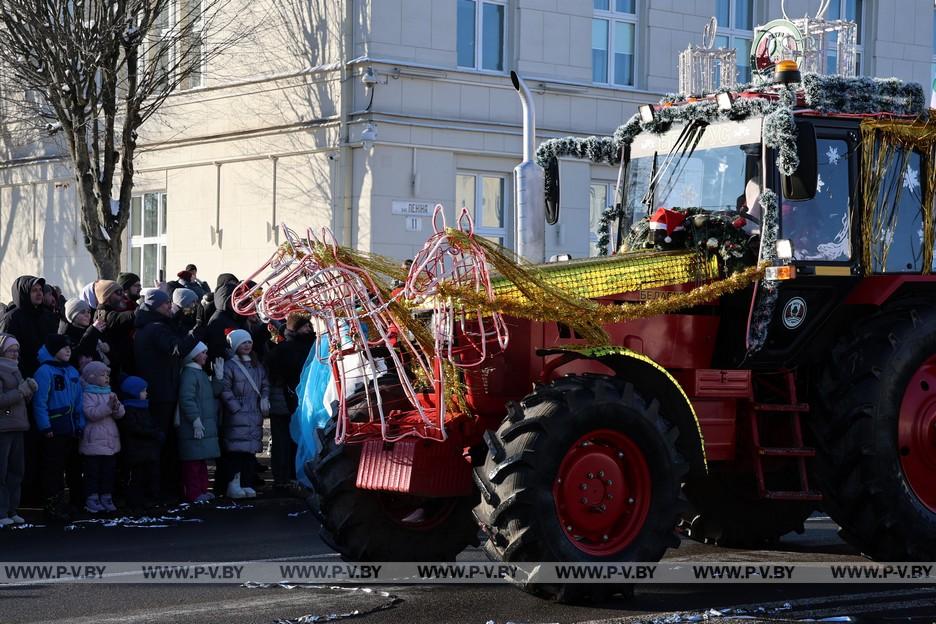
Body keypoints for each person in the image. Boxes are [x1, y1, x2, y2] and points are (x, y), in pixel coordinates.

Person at [133, 289, 198, 499]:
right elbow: (177, 348)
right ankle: (160, 490)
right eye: (164, 305)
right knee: (163, 442)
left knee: (163, 442)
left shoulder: (150, 327)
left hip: (160, 390)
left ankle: (161, 488)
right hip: (161, 392)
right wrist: (197, 333)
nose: (169, 307)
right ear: (154, 307)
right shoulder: (155, 329)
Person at [33, 334, 84, 520]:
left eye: (69, 347)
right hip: (54, 428)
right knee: (53, 469)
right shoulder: (44, 371)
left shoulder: (71, 370)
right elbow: (40, 402)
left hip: (70, 427)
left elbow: (78, 400)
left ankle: (72, 503)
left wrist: (80, 424)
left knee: (72, 466)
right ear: (54, 350)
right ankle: (52, 505)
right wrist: (45, 426)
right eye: (64, 347)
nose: (68, 350)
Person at [264, 313, 315, 490]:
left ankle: (293, 474)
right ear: (296, 328)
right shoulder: (283, 350)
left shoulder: (309, 346)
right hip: (284, 400)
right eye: (305, 326)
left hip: (298, 401)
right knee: (282, 440)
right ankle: (282, 477)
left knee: (296, 439)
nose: (309, 329)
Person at [219, 329, 268, 498]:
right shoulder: (230, 365)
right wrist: (236, 407)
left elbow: (264, 383)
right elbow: (224, 389)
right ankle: (233, 484)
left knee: (250, 453)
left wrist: (264, 399)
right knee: (235, 452)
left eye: (249, 342)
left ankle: (246, 483)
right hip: (237, 415)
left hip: (254, 413)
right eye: (243, 342)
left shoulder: (256, 364)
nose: (247, 345)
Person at [177, 342, 221, 503]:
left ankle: (203, 489)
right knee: (193, 463)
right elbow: (187, 399)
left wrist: (219, 378)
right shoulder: (189, 374)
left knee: (201, 460)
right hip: (194, 425)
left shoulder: (200, 373)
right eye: (203, 352)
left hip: (202, 424)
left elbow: (213, 392)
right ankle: (194, 492)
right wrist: (195, 419)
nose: (206, 355)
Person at [79, 361, 125, 513]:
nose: (106, 378)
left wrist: (116, 407)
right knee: (93, 472)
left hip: (109, 440)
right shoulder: (87, 394)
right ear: (91, 377)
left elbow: (121, 414)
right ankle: (92, 498)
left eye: (107, 375)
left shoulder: (110, 393)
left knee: (108, 471)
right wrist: (108, 407)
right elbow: (91, 414)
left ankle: (106, 496)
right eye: (102, 375)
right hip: (93, 440)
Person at [0, 335, 36, 526]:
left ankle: (12, 509)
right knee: (2, 472)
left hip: (19, 425)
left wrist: (29, 391)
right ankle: (1, 511)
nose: (15, 354)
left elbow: (19, 399)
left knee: (16, 471)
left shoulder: (15, 369)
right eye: (11, 350)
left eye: (16, 350)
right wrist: (22, 391)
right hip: (3, 428)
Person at [0, 276, 58, 378]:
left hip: (49, 373)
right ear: (24, 293)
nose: (39, 293)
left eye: (40, 289)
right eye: (34, 290)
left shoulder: (47, 315)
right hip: (22, 376)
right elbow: (6, 350)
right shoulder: (12, 318)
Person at [117, 376, 161, 512]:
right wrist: (153, 433)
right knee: (136, 478)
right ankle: (136, 502)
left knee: (150, 476)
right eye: (143, 391)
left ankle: (150, 500)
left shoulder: (145, 408)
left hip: (148, 451)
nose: (146, 393)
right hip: (136, 452)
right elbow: (134, 428)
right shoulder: (129, 409)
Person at [95, 280, 136, 383]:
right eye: (118, 292)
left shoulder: (108, 312)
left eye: (122, 291)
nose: (123, 295)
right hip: (114, 372)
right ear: (106, 296)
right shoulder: (103, 314)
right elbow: (126, 317)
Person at [60, 298, 109, 370]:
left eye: (88, 311)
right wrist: (93, 331)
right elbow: (81, 351)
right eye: (83, 312)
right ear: (72, 316)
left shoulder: (88, 328)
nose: (87, 315)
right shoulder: (67, 335)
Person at [206, 278, 246, 362]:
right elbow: (217, 347)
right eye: (234, 299)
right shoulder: (218, 320)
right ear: (225, 301)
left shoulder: (231, 316)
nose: (238, 301)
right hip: (226, 363)